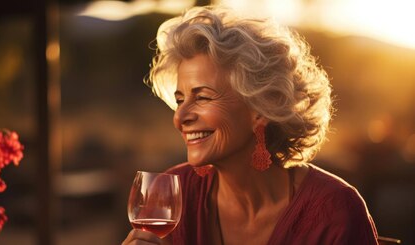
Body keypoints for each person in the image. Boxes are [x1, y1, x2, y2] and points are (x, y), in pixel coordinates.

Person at [122, 5, 378, 245]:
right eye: (180, 100)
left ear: (260, 108)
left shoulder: (335, 211)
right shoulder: (174, 194)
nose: (180, 117)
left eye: (202, 97)